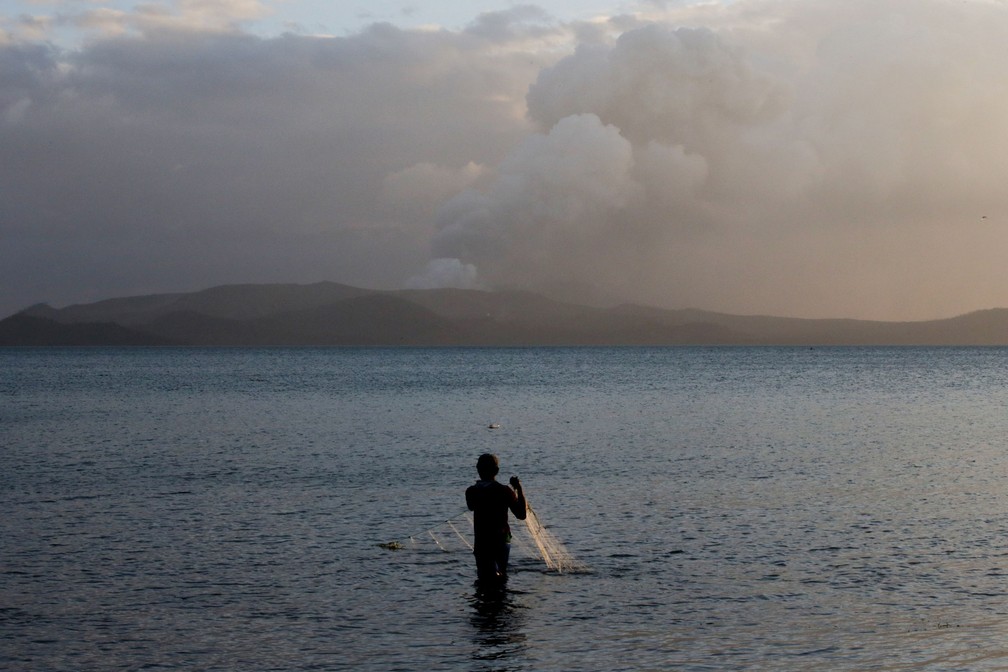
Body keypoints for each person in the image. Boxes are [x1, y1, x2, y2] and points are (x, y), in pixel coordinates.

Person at [465, 453, 527, 583]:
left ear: (478, 470)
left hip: (482, 541)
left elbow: (471, 506)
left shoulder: (471, 492)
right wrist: (519, 489)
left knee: (484, 577)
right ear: (497, 471)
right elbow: (521, 514)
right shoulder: (504, 491)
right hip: (503, 539)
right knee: (500, 575)